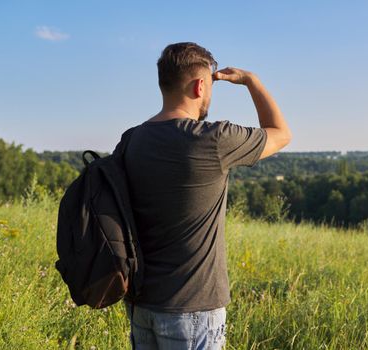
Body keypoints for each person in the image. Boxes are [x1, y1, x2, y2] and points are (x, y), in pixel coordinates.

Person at [122, 42, 292, 350]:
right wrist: (252, 81)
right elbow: (281, 133)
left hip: (140, 305)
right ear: (201, 85)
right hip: (193, 310)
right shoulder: (212, 140)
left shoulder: (131, 140)